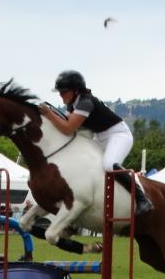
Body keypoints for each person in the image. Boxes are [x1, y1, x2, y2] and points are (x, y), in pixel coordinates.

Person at [38, 70, 153, 215]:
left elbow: (68, 128)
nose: (60, 95)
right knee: (82, 164)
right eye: (59, 92)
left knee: (109, 165)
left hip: (118, 135)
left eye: (63, 92)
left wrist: (49, 114)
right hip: (99, 136)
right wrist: (49, 115)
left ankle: (142, 199)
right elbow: (65, 122)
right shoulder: (74, 103)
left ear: (75, 90)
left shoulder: (86, 102)